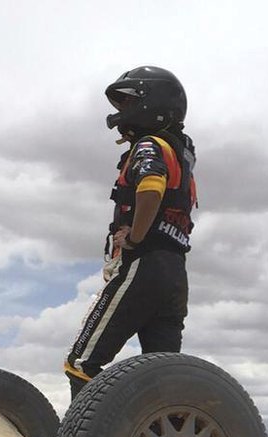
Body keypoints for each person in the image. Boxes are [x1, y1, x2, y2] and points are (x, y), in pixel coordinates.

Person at [64, 66, 197, 397]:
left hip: (144, 263)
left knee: (81, 363)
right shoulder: (179, 152)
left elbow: (151, 187)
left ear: (150, 103)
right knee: (160, 373)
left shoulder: (149, 145)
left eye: (127, 103)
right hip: (174, 273)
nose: (120, 112)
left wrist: (136, 237)